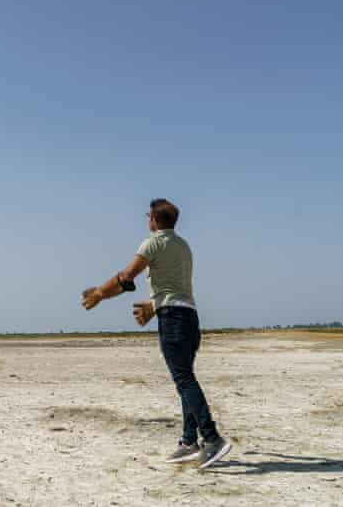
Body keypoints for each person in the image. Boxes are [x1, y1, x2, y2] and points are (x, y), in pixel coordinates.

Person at [81, 198, 232, 469]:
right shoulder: (183, 246)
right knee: (186, 377)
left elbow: (127, 277)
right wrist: (153, 304)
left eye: (147, 216)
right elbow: (174, 286)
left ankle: (212, 438)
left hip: (172, 318)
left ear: (153, 219)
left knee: (183, 379)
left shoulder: (152, 242)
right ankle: (189, 442)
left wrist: (99, 294)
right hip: (189, 316)